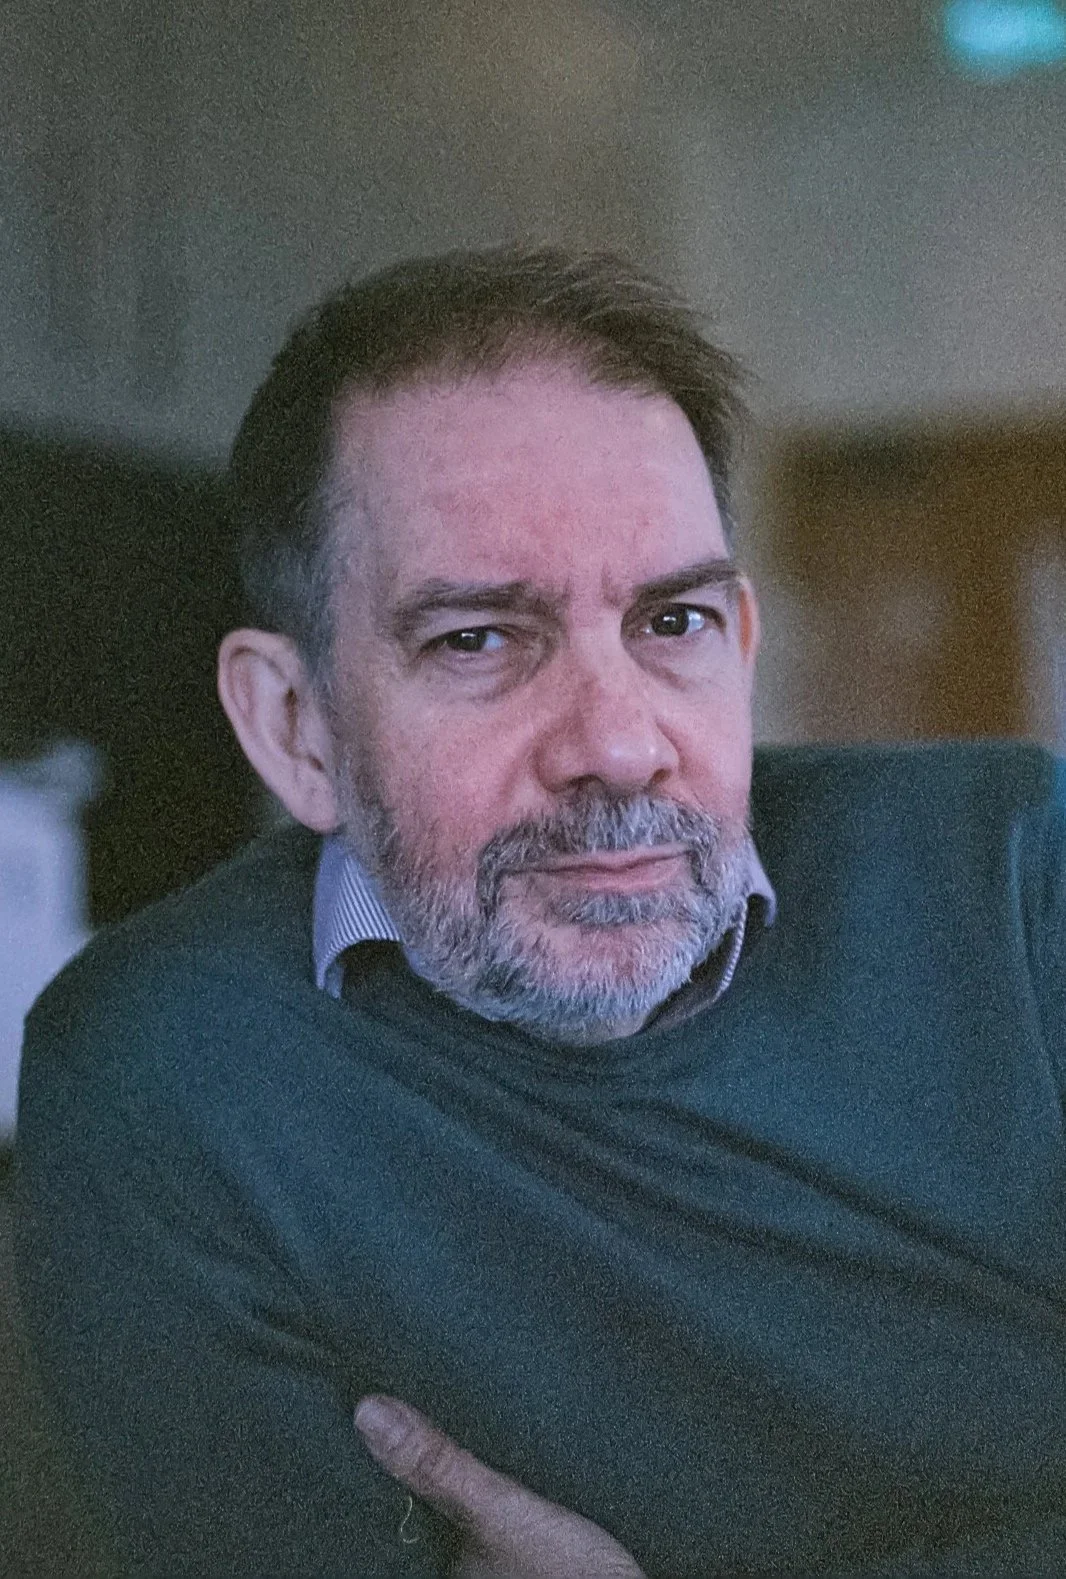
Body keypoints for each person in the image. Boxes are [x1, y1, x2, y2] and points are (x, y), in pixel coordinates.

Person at [13, 245, 1066, 1578]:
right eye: (477, 639)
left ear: (738, 648)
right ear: (294, 727)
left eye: (670, 619)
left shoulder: (1022, 878)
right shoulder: (164, 1073)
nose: (619, 745)